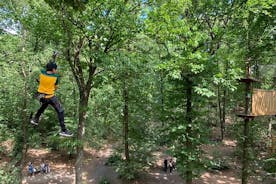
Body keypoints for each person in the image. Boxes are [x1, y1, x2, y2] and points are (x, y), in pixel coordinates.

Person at [30, 61, 73, 137]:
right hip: (50, 97)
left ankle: (35, 119)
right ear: (53, 69)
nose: (56, 70)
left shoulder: (41, 73)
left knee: (44, 105)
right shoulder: (55, 77)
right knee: (61, 111)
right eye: (55, 69)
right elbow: (55, 87)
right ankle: (63, 130)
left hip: (40, 96)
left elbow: (44, 71)